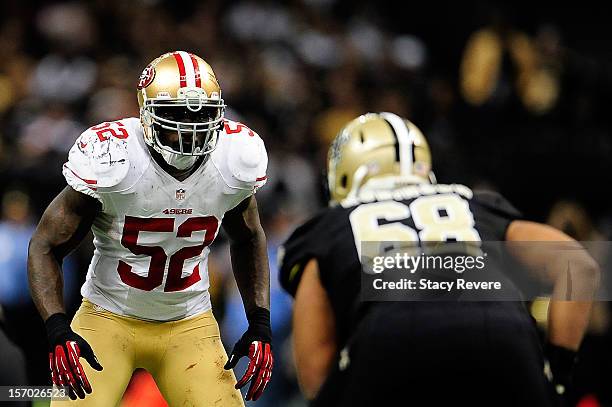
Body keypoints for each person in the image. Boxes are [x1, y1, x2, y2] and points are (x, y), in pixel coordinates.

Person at [279, 112, 599, 406]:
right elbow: (577, 266)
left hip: (388, 338)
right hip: (501, 332)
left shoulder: (329, 227)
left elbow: (315, 368)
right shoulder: (471, 204)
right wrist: (556, 371)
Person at [28, 51, 273, 406]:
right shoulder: (114, 157)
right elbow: (46, 245)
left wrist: (259, 321)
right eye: (175, 115)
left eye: (202, 115)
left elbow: (249, 236)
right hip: (107, 317)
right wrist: (57, 327)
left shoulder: (235, 157)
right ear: (146, 114)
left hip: (189, 322)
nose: (189, 130)